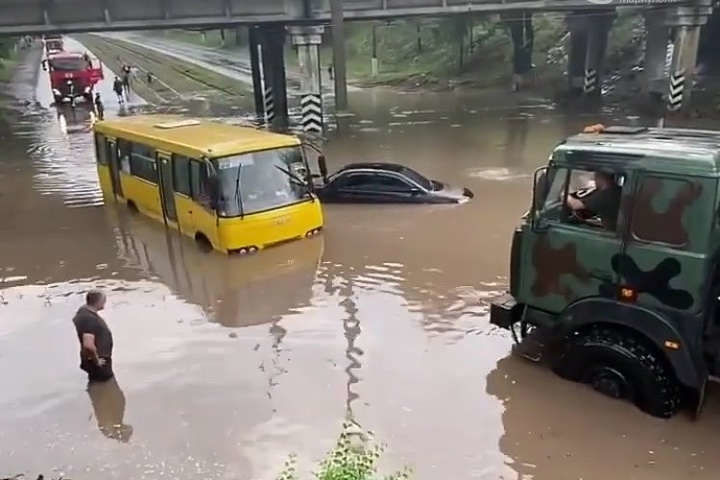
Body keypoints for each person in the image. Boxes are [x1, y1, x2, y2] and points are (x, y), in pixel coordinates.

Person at [72, 290, 114, 382]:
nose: (105, 303)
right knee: (105, 386)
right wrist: (97, 361)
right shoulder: (89, 319)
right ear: (99, 302)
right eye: (104, 300)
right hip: (99, 361)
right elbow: (88, 345)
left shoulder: (83, 311)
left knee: (95, 384)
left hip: (90, 359)